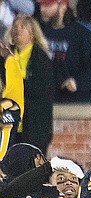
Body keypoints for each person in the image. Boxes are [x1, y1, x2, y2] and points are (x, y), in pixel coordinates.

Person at [37, 0, 91, 104]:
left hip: (76, 102)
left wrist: (78, 82)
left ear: (62, 6)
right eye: (41, 5)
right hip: (47, 100)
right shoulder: (40, 32)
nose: (42, 9)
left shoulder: (81, 34)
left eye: (47, 5)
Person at [8, 14, 54, 153]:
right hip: (8, 123)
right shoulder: (7, 56)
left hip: (33, 125)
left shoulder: (40, 58)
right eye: (15, 27)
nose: (18, 30)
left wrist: (17, 82)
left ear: (32, 32)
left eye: (23, 27)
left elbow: (40, 89)